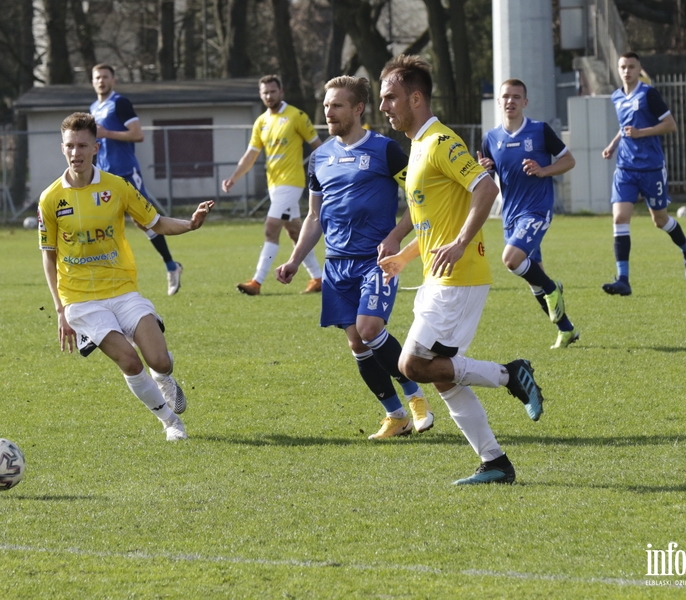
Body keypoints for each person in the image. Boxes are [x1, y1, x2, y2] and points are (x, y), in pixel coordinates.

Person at [376, 55, 545, 486]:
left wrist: (461, 242)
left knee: (413, 365)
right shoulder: (417, 146)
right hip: (440, 277)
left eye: (391, 97)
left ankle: (510, 374)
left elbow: (485, 188)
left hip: (458, 278)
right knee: (443, 377)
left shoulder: (440, 142)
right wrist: (405, 254)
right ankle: (495, 462)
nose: (384, 106)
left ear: (416, 97)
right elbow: (435, 221)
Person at [38, 112, 214, 441]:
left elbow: (156, 222)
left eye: (82, 146)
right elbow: (48, 257)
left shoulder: (117, 187)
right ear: (62, 148)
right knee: (131, 363)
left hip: (122, 290)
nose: (75, 152)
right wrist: (60, 310)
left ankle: (164, 377)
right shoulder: (50, 199)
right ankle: (170, 423)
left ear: (96, 148)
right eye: (69, 146)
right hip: (80, 300)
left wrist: (190, 224)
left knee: (159, 360)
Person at [276, 76, 433, 440]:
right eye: (327, 106)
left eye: (337, 106)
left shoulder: (386, 150)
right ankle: (395, 417)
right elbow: (315, 217)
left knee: (369, 329)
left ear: (358, 109)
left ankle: (416, 396)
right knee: (357, 343)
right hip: (337, 264)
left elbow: (420, 200)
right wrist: (296, 260)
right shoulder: (319, 157)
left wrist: (395, 237)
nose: (328, 112)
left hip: (375, 260)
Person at [478, 79, 579, 350]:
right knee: (534, 281)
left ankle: (552, 287)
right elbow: (490, 178)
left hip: (536, 209)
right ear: (498, 102)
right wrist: (484, 169)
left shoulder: (540, 131)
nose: (510, 101)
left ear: (525, 102)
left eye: (516, 97)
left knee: (511, 260)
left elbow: (569, 160)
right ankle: (566, 329)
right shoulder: (491, 138)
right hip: (511, 214)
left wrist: (544, 170)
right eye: (505, 97)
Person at [601, 52, 686, 296]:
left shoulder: (648, 94)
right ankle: (623, 278)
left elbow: (670, 125)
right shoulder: (616, 96)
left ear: (638, 68)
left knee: (660, 220)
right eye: (623, 67)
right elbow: (626, 128)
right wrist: (614, 144)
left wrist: (641, 133)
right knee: (620, 219)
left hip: (651, 167)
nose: (626, 71)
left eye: (631, 67)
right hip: (625, 168)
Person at [222, 75, 324, 296]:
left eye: (272, 91)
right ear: (261, 95)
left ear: (281, 92)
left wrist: (328, 174)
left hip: (292, 182)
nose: (269, 95)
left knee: (270, 228)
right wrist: (234, 177)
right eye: (265, 92)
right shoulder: (261, 122)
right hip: (274, 185)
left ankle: (257, 282)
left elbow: (318, 146)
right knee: (296, 232)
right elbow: (251, 154)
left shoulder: (296, 116)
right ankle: (318, 278)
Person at [90, 64, 184, 296]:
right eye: (97, 77)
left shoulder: (120, 103)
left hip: (126, 172)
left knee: (146, 221)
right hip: (104, 175)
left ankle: (172, 266)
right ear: (92, 81)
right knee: (101, 223)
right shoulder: (93, 107)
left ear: (113, 80)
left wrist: (107, 133)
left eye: (105, 77)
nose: (101, 81)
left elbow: (137, 134)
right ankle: (107, 276)